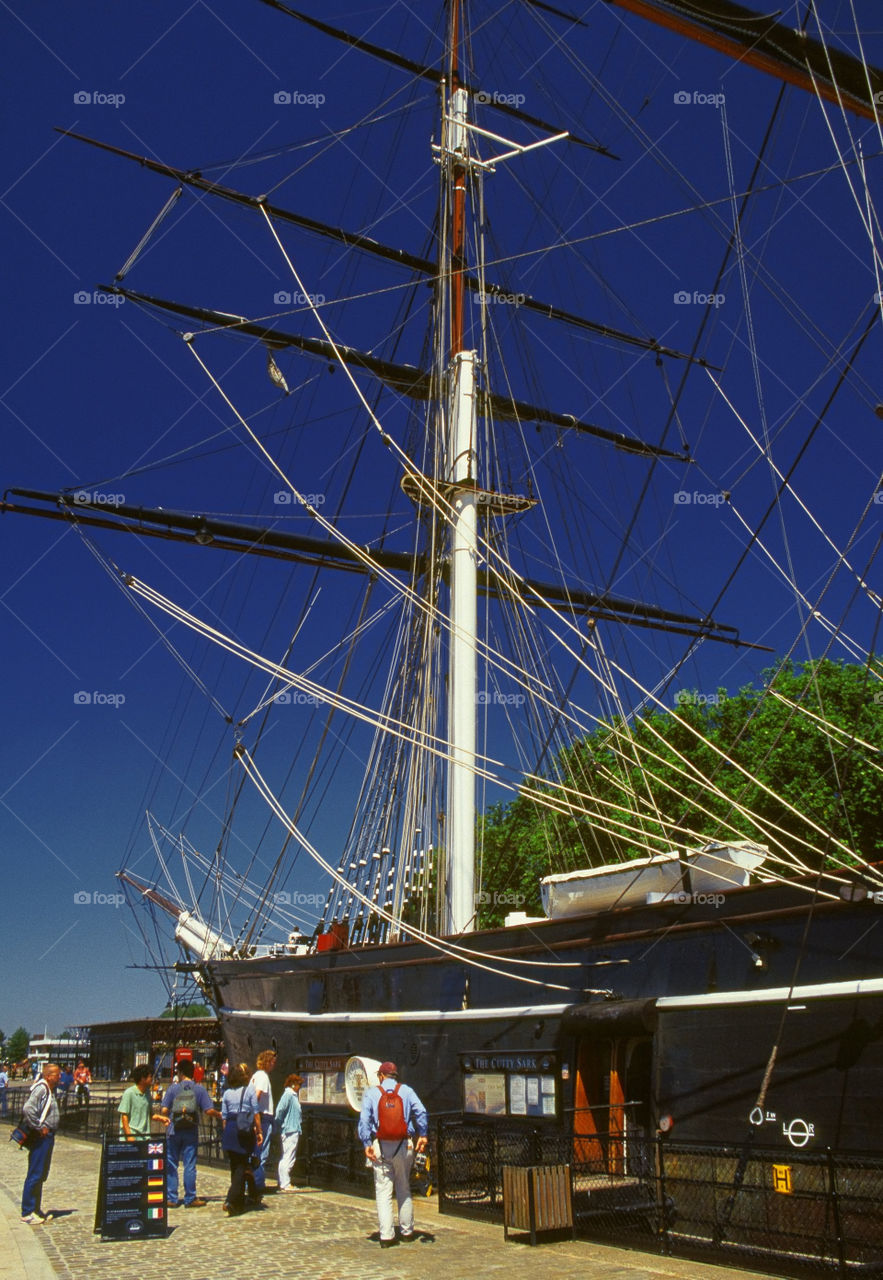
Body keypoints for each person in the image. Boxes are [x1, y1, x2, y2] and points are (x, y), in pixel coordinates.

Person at [358, 1061, 428, 1247]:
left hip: (380, 1145)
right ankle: (407, 1232)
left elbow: (364, 1120)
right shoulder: (406, 1091)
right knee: (404, 1188)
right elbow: (421, 1111)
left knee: (383, 1192)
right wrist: (423, 1134)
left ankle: (386, 1236)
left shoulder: (372, 1093)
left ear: (381, 1076)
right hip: (404, 1145)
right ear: (396, 1076)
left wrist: (366, 1143)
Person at [160, 1058, 220, 1207]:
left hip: (174, 1130)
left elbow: (164, 1110)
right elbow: (208, 1110)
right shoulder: (199, 1089)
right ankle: (190, 1198)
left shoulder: (173, 1089)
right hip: (191, 1129)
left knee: (171, 1163)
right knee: (189, 1164)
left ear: (180, 1073)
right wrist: (220, 1115)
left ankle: (171, 1198)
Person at [20, 1062, 60, 1225]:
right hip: (41, 1137)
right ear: (48, 1075)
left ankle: (36, 1209)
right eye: (57, 1074)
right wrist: (39, 1127)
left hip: (48, 1137)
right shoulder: (42, 1088)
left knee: (41, 1173)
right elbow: (28, 1109)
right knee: (35, 1172)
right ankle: (27, 1211)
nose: (59, 1077)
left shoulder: (50, 1090)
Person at [220, 1064, 262, 1215]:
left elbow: (224, 1117)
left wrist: (226, 1133)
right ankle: (231, 1199)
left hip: (230, 1129)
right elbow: (255, 1112)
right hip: (243, 1129)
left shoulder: (226, 1093)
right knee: (242, 1166)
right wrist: (259, 1131)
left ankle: (238, 1203)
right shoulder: (249, 1090)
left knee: (234, 1166)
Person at [245, 1049, 277, 1193]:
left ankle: (251, 1183)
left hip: (258, 1116)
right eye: (273, 1062)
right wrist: (255, 1117)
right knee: (261, 1153)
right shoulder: (263, 1077)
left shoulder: (255, 1076)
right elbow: (256, 1096)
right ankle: (257, 1185)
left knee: (254, 1152)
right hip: (264, 1117)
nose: (274, 1066)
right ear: (268, 1062)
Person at [118, 1065, 164, 1140]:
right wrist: (129, 1136)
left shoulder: (148, 1093)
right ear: (143, 1078)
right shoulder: (129, 1093)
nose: (152, 1079)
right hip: (131, 1136)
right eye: (150, 1077)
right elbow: (124, 1116)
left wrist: (162, 1118)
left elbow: (150, 1114)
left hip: (144, 1137)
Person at [275, 1073, 303, 1192]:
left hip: (290, 1128)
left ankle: (283, 1181)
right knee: (289, 1156)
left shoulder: (291, 1095)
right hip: (290, 1129)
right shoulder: (289, 1095)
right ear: (293, 1084)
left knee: (286, 1156)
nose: (299, 1087)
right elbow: (280, 1110)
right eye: (298, 1084)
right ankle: (285, 1183)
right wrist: (280, 1123)